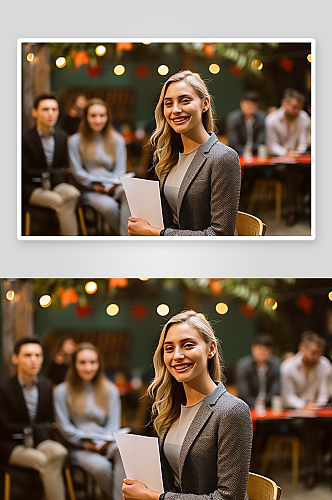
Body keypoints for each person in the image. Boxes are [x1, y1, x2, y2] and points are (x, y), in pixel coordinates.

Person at [122, 310, 253, 500]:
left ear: (211, 349)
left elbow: (229, 498)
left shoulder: (232, 411)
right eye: (169, 348)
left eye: (188, 345)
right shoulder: (168, 407)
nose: (177, 355)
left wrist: (154, 497)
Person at [127, 70, 241, 236]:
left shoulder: (223, 158)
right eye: (168, 103)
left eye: (184, 101)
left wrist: (156, 233)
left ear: (205, 104)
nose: (175, 110)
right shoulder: (167, 155)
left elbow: (220, 235)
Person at [54, 342, 125, 500]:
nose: (88, 367)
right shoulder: (62, 391)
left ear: (99, 364)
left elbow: (114, 426)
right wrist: (87, 444)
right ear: (74, 364)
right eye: (82, 362)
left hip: (106, 443)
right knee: (101, 467)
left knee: (124, 451)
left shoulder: (110, 390)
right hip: (78, 447)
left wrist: (104, 442)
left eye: (93, 362)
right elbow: (64, 428)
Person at [0, 337, 68, 500]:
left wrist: (38, 429)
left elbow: (49, 420)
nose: (34, 360)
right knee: (44, 461)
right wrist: (36, 428)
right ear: (15, 358)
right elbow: (5, 426)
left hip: (38, 440)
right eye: (28, 355)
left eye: (38, 355)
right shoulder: (4, 388)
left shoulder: (46, 385)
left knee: (60, 452)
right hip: (12, 444)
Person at [68, 98, 130, 236]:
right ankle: (125, 237)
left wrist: (111, 185)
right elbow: (77, 173)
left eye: (102, 115)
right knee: (110, 207)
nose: (98, 120)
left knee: (129, 193)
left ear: (107, 117)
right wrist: (97, 187)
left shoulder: (117, 140)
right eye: (93, 116)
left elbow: (120, 170)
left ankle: (127, 239)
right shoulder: (75, 141)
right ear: (86, 117)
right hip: (89, 189)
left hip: (114, 186)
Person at [22, 93, 81, 236]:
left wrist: (55, 173)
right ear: (34, 112)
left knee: (73, 194)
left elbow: (64, 167)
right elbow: (26, 171)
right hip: (32, 187)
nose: (51, 114)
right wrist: (53, 172)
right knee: (59, 201)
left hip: (55, 183)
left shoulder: (62, 136)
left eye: (54, 110)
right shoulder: (25, 137)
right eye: (45, 109)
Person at [280, 331, 331, 489]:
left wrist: (317, 404)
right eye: (313, 353)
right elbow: (287, 397)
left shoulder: (325, 365)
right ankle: (311, 471)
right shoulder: (287, 367)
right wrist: (304, 406)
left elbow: (325, 392)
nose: (317, 357)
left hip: (318, 411)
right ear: (302, 349)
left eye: (319, 353)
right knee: (310, 426)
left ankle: (325, 461)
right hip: (295, 414)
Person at [265, 88, 311, 226]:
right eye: (294, 107)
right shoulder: (271, 120)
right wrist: (286, 154)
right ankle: (292, 210)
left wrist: (297, 152)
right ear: (284, 104)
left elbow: (303, 142)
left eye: (299, 107)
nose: (297, 111)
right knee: (291, 171)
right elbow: (271, 146)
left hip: (298, 158)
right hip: (278, 160)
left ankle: (309, 206)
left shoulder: (304, 118)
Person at [236, 333, 280, 409]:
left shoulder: (275, 365)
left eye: (266, 350)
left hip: (269, 407)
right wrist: (256, 404)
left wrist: (264, 402)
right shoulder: (243, 366)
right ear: (253, 348)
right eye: (260, 349)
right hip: (248, 408)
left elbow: (275, 390)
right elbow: (243, 393)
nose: (263, 353)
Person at [226, 90, 265, 156]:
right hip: (237, 155)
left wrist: (251, 150)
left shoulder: (261, 118)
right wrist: (244, 152)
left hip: (255, 154)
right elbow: (233, 142)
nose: (250, 107)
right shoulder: (233, 119)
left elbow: (261, 140)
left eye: (253, 105)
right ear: (242, 104)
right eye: (248, 104)